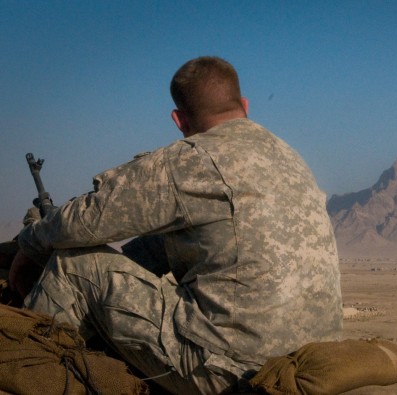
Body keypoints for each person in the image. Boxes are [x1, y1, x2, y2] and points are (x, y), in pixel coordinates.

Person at [9, 56, 343, 394]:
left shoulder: (191, 159)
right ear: (244, 105)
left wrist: (30, 242)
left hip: (233, 368)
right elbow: (175, 244)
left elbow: (83, 221)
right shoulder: (289, 158)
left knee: (74, 265)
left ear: (178, 119)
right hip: (309, 359)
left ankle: (22, 362)